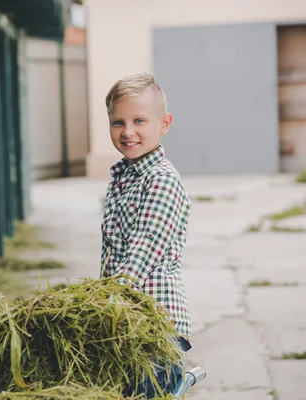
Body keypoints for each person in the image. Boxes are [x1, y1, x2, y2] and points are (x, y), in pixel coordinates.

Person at [99, 72, 193, 398]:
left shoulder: (161, 179)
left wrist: (106, 297)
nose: (127, 132)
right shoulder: (122, 177)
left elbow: (146, 246)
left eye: (139, 120)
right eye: (117, 122)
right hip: (125, 323)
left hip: (156, 326)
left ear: (164, 123)